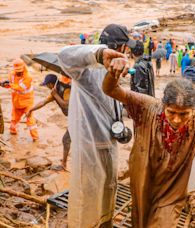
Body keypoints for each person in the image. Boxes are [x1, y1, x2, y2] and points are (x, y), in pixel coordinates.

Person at [102, 57, 195, 228]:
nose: (177, 120)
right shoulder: (146, 106)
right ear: (163, 105)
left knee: (164, 222)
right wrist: (113, 74)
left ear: (193, 110)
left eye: (184, 114)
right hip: (143, 177)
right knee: (140, 218)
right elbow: (111, 90)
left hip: (173, 187)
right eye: (171, 112)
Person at [58, 23, 137, 228]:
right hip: (88, 146)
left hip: (108, 144)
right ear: (119, 47)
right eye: (125, 47)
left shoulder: (115, 71)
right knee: (86, 197)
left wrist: (122, 127)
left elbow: (111, 106)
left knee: (108, 191)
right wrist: (99, 54)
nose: (126, 51)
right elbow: (64, 55)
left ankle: (105, 223)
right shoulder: (85, 70)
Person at [27, 74, 71, 168]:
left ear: (51, 84)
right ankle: (66, 162)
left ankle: (64, 164)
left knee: (66, 140)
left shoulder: (66, 89)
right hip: (73, 118)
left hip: (80, 118)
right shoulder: (55, 91)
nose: (47, 87)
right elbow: (43, 102)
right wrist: (31, 109)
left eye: (47, 84)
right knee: (70, 140)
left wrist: (55, 95)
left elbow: (65, 105)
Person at [0, 58, 38, 141]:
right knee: (14, 119)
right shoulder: (12, 74)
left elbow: (20, 88)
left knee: (30, 121)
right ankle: (12, 131)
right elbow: (10, 85)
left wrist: (9, 85)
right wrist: (3, 84)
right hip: (16, 101)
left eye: (20, 70)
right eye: (17, 70)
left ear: (23, 67)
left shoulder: (28, 77)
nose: (18, 72)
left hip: (27, 103)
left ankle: (35, 137)